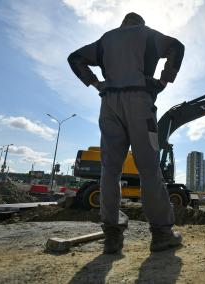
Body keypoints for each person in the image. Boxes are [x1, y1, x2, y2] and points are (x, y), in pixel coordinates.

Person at [67, 12, 185, 254]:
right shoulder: (147, 34)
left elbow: (75, 58)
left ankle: (112, 236)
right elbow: (176, 47)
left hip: (109, 104)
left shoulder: (105, 40)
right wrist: (164, 80)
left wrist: (96, 83)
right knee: (149, 169)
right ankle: (162, 234)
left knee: (110, 170)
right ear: (141, 23)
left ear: (123, 23)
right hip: (140, 101)